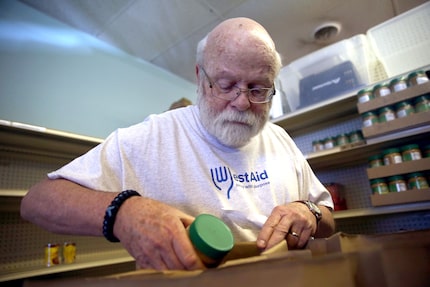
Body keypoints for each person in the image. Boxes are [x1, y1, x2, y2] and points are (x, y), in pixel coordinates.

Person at [21, 17, 335, 271]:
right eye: (226, 85)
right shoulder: (155, 136)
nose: (242, 102)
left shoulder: (280, 140)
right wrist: (124, 212)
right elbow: (37, 201)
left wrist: (310, 213)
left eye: (258, 89)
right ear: (200, 77)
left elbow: (327, 217)